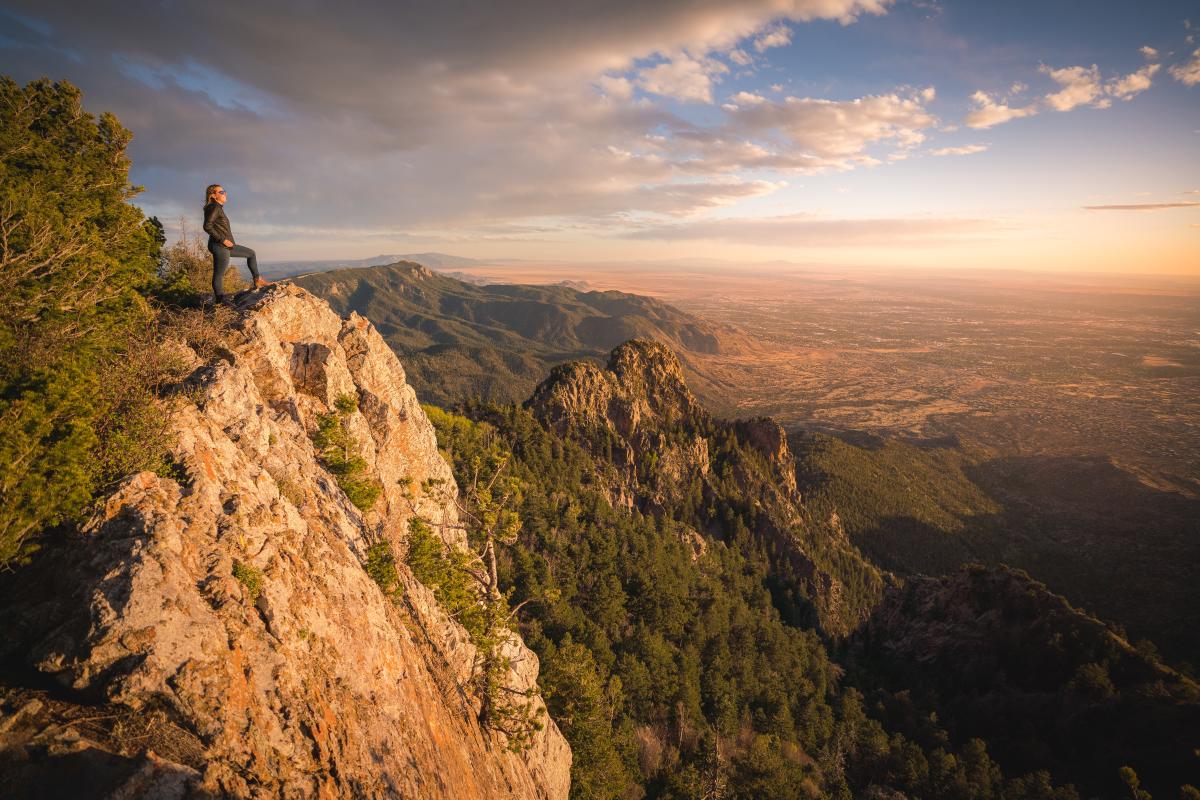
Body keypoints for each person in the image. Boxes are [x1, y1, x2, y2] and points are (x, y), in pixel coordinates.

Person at [203, 183, 270, 303]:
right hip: (220, 245)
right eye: (221, 192)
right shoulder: (214, 207)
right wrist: (222, 240)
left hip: (225, 245)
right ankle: (220, 300)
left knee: (251, 254)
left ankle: (257, 280)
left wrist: (225, 241)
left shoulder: (217, 207)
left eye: (225, 191)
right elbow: (207, 226)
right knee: (219, 274)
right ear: (213, 195)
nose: (225, 194)